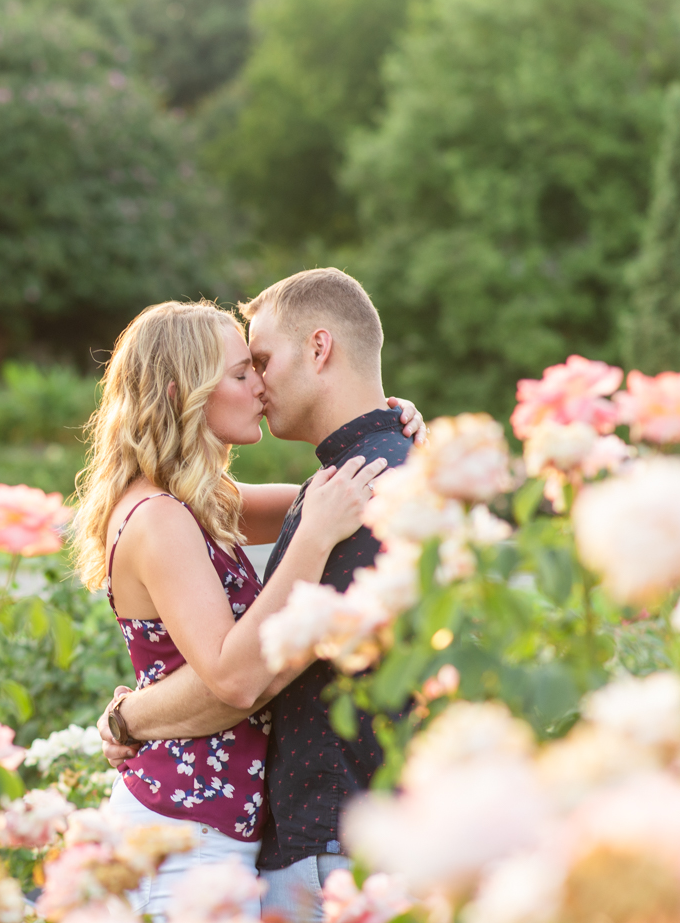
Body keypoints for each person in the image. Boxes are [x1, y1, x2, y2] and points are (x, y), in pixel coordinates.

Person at [71, 294, 414, 919]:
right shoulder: (158, 518)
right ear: (185, 395)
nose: (259, 385)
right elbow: (232, 676)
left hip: (216, 829)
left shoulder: (201, 501)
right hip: (183, 831)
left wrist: (387, 423)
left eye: (257, 366)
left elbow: (334, 490)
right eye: (240, 372)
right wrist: (313, 538)